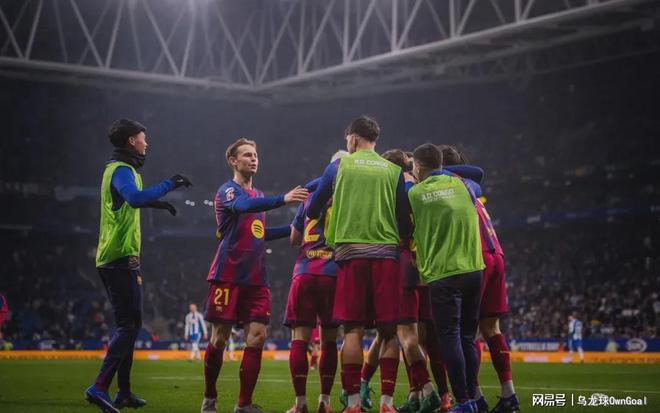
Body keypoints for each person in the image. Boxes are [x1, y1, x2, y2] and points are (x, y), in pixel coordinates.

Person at [307, 117, 440, 413]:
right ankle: (387, 403)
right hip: (386, 256)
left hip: (350, 255)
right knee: (389, 331)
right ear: (375, 139)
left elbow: (313, 209)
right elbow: (405, 218)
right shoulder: (393, 171)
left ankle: (353, 403)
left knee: (353, 331)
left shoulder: (338, 167)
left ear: (353, 138)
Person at [85, 118, 192, 413]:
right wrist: (170, 184)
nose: (147, 143)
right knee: (129, 325)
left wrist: (156, 204)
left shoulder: (118, 169)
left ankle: (124, 391)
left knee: (131, 324)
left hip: (117, 256)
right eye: (144, 138)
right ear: (132, 141)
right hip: (119, 257)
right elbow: (132, 198)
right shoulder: (122, 169)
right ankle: (99, 387)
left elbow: (128, 200)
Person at [201, 138, 309, 413]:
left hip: (257, 277)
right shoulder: (228, 191)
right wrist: (283, 199)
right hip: (228, 274)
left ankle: (244, 404)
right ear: (233, 161)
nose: (253, 159)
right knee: (220, 337)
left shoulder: (258, 195)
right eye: (247, 155)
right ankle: (210, 398)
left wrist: (294, 228)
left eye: (255, 155)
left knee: (258, 336)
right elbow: (241, 207)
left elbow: (259, 234)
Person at [439, 146, 519, 413]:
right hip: (497, 253)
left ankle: (473, 396)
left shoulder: (447, 187)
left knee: (465, 332)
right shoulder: (470, 186)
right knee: (492, 328)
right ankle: (509, 394)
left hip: (476, 257)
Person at [408, 143, 485, 413]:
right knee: (467, 337)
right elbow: (478, 172)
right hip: (474, 270)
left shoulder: (415, 193)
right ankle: (473, 397)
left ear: (418, 167)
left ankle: (463, 401)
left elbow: (402, 194)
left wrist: (412, 175)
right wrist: (446, 171)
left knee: (449, 337)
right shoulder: (466, 185)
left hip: (444, 274)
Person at [284, 150, 347, 413]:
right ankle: (325, 400)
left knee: (300, 338)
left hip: (305, 272)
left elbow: (294, 239)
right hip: (333, 273)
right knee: (329, 339)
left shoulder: (310, 196)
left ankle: (300, 403)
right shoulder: (348, 198)